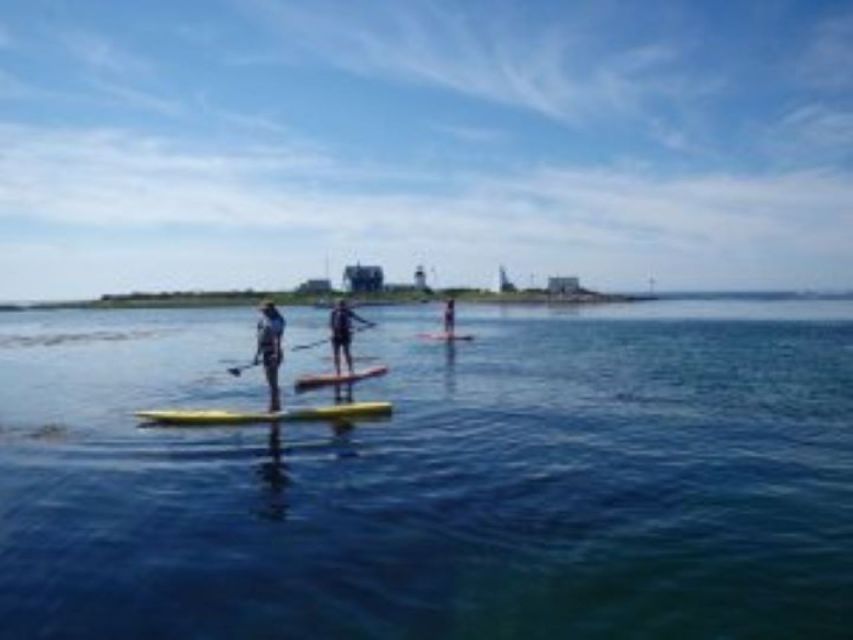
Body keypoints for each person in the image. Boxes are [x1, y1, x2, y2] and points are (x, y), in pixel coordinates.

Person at [254, 300, 285, 412]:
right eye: (263, 310)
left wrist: (276, 354)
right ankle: (275, 403)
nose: (264, 312)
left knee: (272, 380)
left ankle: (274, 407)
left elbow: (277, 339)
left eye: (266, 310)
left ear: (272, 310)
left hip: (273, 352)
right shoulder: (262, 320)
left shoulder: (277, 321)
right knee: (269, 381)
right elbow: (259, 340)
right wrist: (256, 356)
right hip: (265, 353)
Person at [330, 299, 372, 376]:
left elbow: (358, 318)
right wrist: (335, 334)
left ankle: (351, 370)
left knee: (347, 353)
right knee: (336, 354)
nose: (341, 307)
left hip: (346, 335)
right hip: (336, 336)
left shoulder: (348, 312)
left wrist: (368, 323)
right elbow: (331, 324)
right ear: (337, 305)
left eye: (343, 305)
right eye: (339, 305)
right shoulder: (333, 312)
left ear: (345, 305)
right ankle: (338, 371)